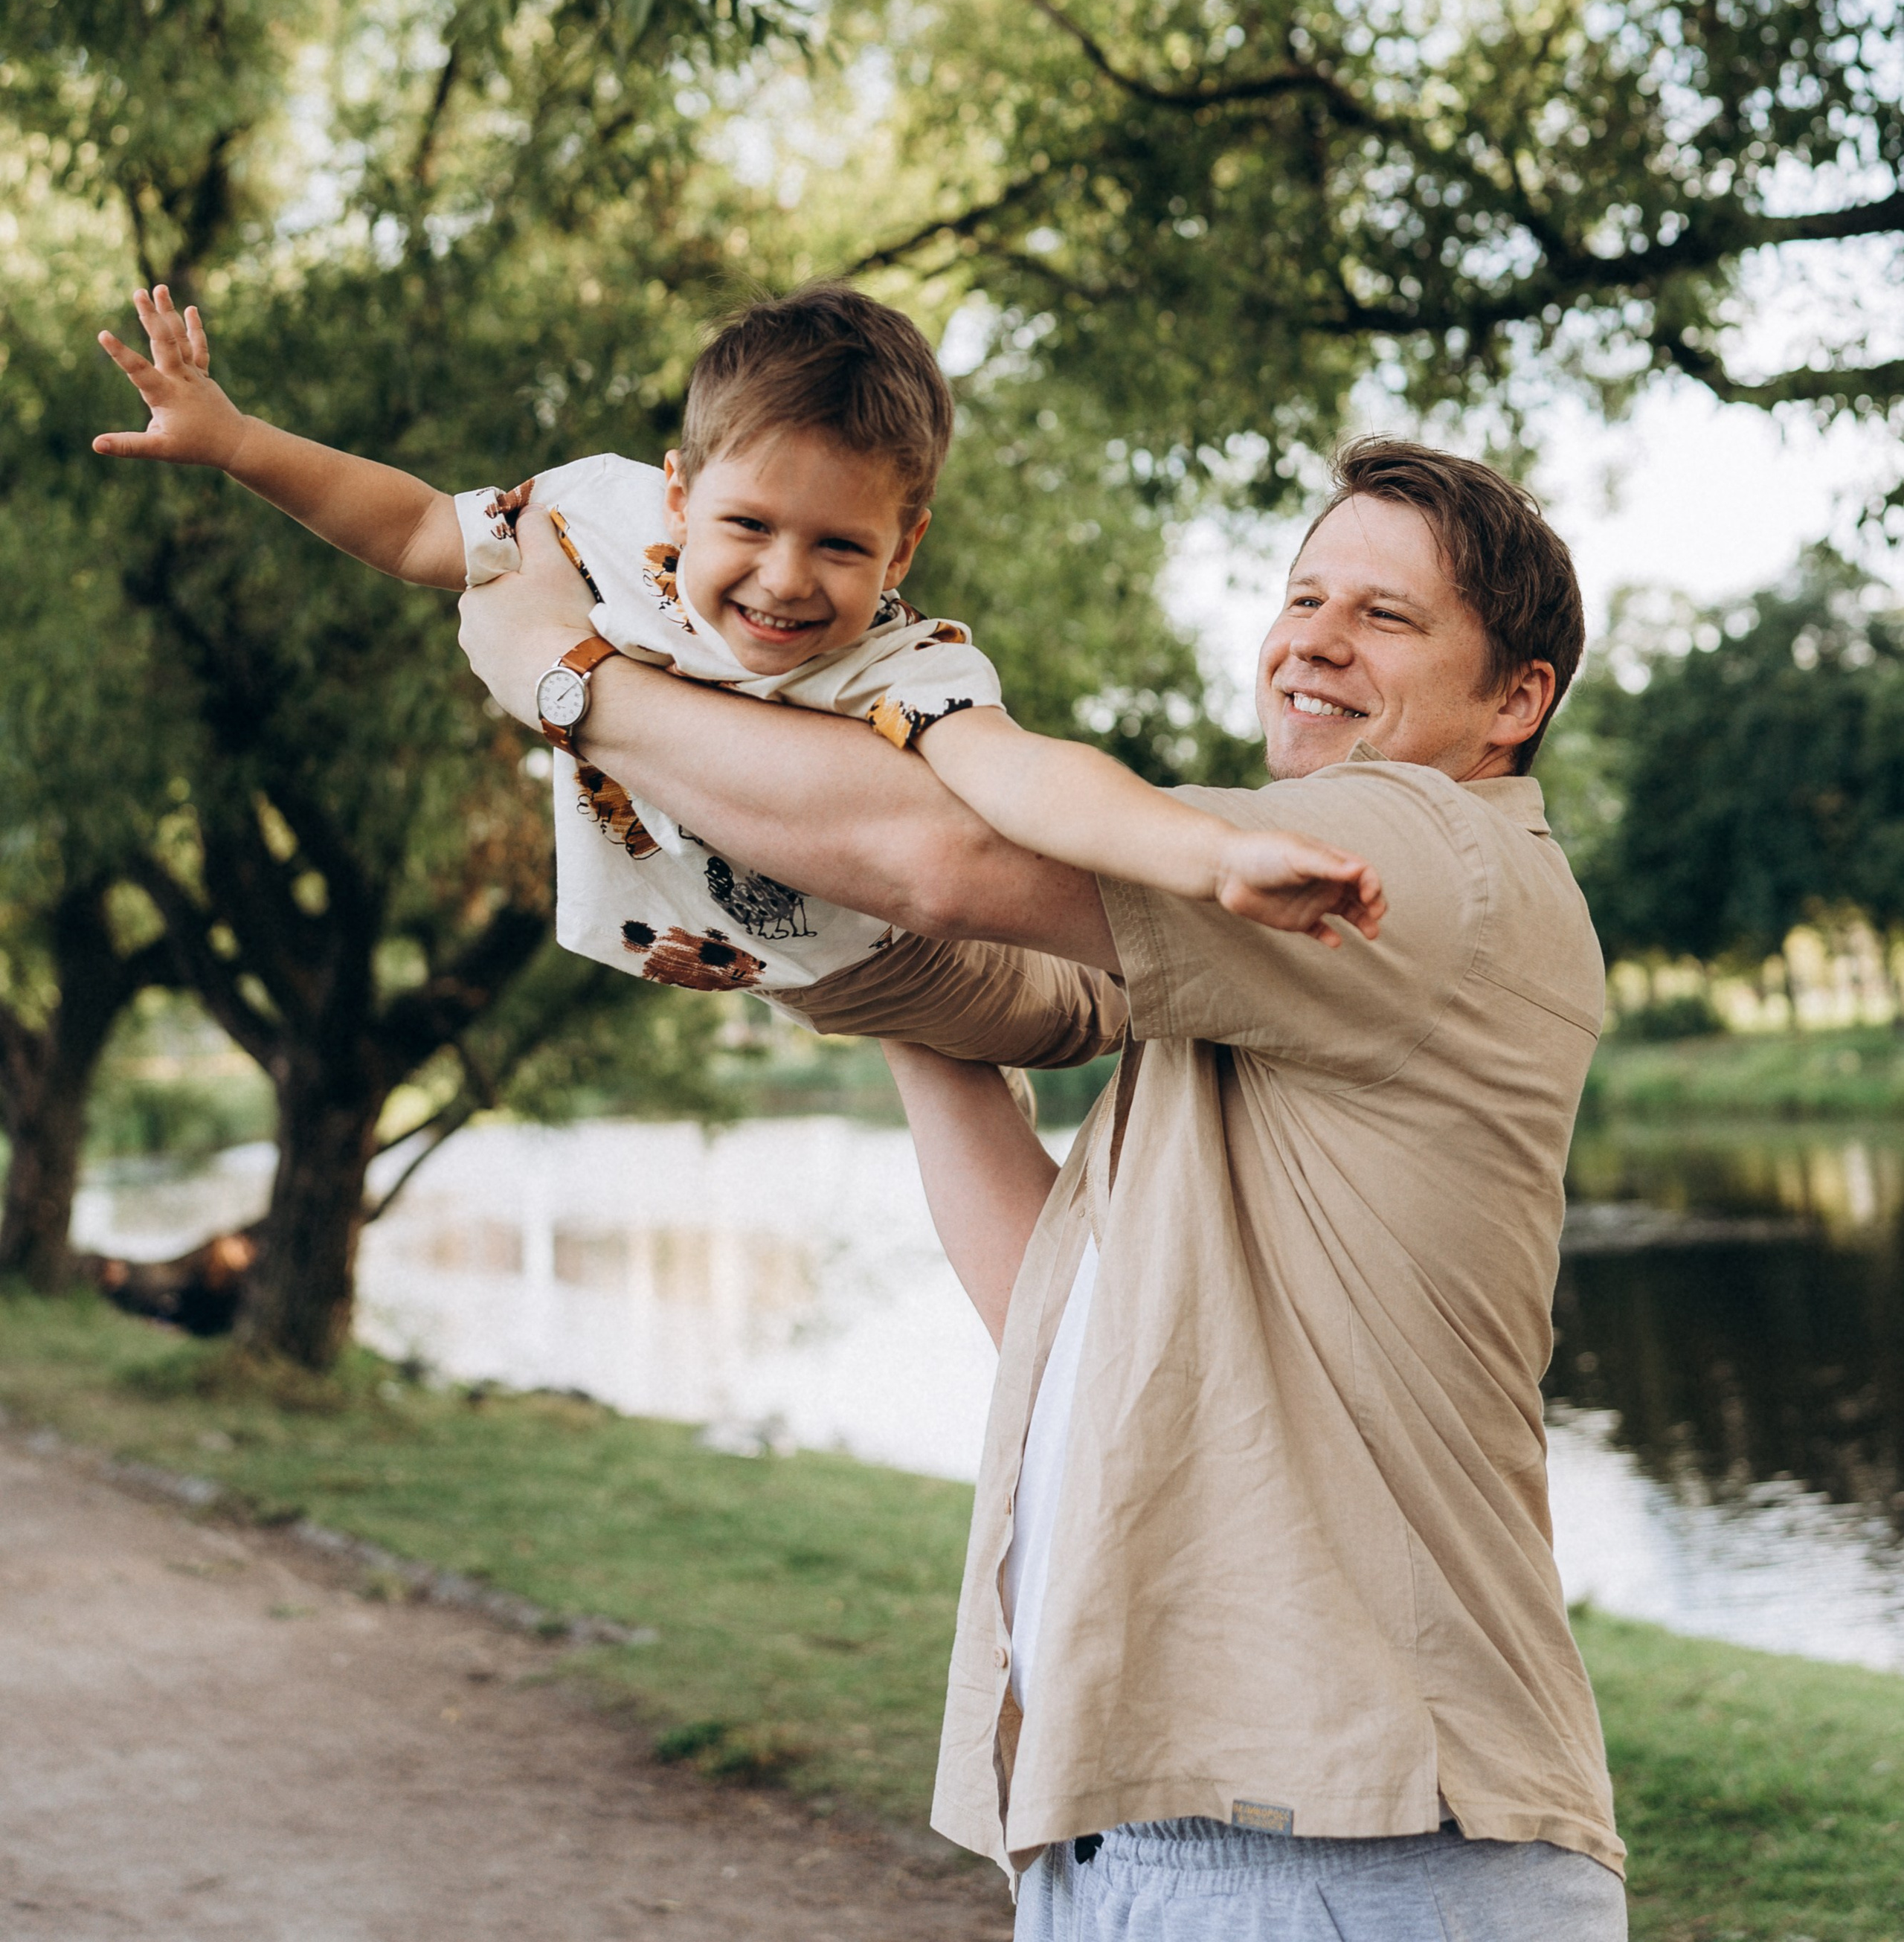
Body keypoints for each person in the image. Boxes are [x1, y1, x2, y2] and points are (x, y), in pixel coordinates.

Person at [455, 435, 1627, 1941]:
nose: (1311, 641)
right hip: (1153, 1835)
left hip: (1350, 1848)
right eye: (1299, 595)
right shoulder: (1250, 978)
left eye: (1383, 618)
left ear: (1512, 701)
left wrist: (573, 679)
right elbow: (1052, 1310)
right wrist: (825, 956)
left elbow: (931, 852)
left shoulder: (1422, 856)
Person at [92, 282, 1383, 1004]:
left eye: (839, 547)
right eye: (750, 526)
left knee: (1034, 1035)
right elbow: (426, 527)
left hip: (895, 964)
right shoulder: (592, 517)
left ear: (903, 551)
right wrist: (238, 443)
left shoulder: (901, 661)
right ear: (673, 494)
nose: (785, 580)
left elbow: (1029, 775)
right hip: (749, 950)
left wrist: (1215, 854)